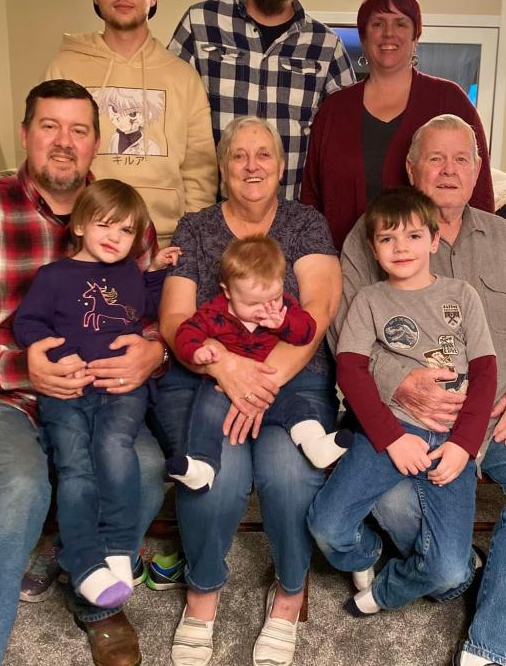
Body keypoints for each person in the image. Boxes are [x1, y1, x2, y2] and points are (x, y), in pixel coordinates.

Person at [0, 80, 167, 666]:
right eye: (49, 127)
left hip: (98, 394)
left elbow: (156, 307)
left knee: (145, 466)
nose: (63, 142)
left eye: (78, 130)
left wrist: (153, 350)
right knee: (18, 489)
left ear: (95, 143)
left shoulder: (127, 217)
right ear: (25, 135)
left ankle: (94, 594)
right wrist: (18, 365)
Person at [332, 114, 506, 666]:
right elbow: (342, 338)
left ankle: (500, 648)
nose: (449, 170)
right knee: (395, 502)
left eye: (461, 158)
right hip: (405, 416)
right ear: (411, 168)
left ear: (477, 171)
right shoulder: (372, 234)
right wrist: (400, 383)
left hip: (494, 413)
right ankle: (453, 573)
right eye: (436, 158)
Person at [155, 116, 341, 666]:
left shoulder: (306, 224)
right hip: (211, 371)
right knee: (218, 475)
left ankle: (289, 591)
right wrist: (226, 369)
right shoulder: (195, 227)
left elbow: (320, 309)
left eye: (263, 155)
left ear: (280, 167)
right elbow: (174, 317)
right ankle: (202, 591)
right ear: (222, 168)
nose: (252, 165)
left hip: (292, 370)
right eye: (239, 156)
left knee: (287, 473)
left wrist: (261, 380)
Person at [308, 187, 497, 617]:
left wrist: (464, 445)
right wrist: (392, 437)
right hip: (390, 428)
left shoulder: (462, 295)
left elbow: (486, 373)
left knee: (450, 574)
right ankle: (369, 553)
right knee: (326, 527)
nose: (401, 247)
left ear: (434, 240)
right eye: (388, 238)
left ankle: (389, 588)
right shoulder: (369, 300)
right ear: (374, 249)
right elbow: (351, 370)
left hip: (451, 438)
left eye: (413, 236)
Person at [13, 179, 178, 608]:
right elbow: (27, 324)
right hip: (67, 390)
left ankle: (119, 549)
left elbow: (150, 308)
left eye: (126, 232)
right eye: (106, 225)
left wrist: (158, 271)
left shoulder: (130, 274)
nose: (115, 238)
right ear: (81, 225)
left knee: (115, 447)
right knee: (76, 468)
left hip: (119, 388)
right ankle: (84, 561)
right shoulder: (54, 276)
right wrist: (53, 354)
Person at [168, 0, 356, 200]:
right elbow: (168, 115)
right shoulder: (200, 23)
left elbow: (345, 138)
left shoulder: (327, 45)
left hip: (289, 223)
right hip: (211, 218)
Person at [46, 0, 217, 244]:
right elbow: (49, 156)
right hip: (85, 244)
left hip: (165, 246)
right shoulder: (66, 67)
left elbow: (199, 173)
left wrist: (191, 242)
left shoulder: (183, 77)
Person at [300, 0, 495, 250]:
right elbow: (311, 201)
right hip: (344, 267)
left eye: (401, 23)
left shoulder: (449, 100)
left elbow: (478, 192)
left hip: (430, 274)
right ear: (364, 35)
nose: (389, 33)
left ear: (416, 37)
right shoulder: (334, 110)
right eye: (378, 23)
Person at [168, 234, 351, 492]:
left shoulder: (283, 307)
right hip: (223, 389)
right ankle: (203, 466)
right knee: (204, 412)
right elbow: (185, 332)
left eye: (273, 298)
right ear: (227, 291)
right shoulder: (214, 313)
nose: (265, 309)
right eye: (253, 303)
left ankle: (315, 445)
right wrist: (197, 350)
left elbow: (307, 331)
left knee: (297, 406)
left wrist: (284, 323)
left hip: (270, 390)